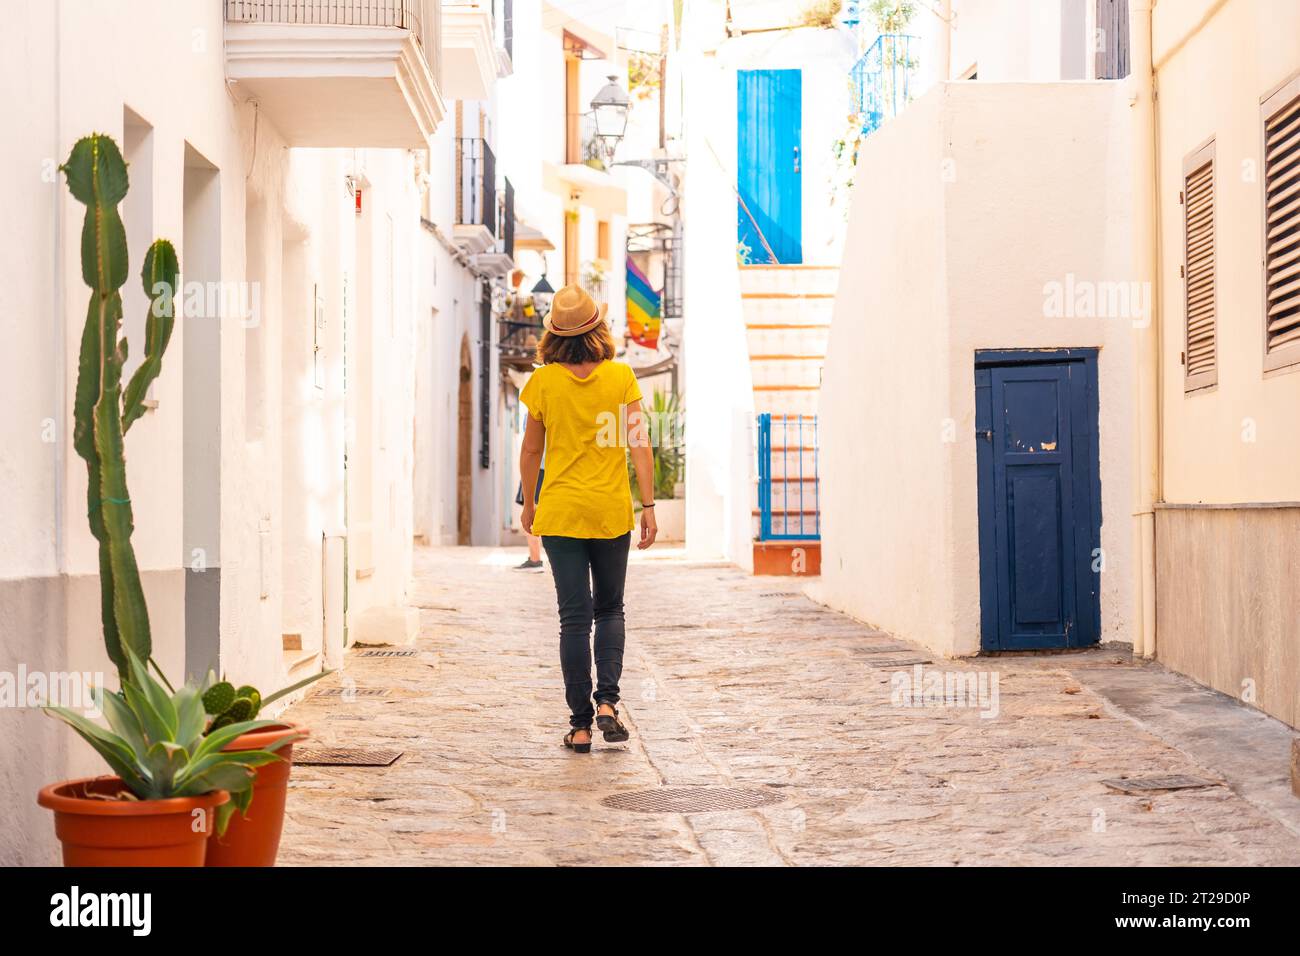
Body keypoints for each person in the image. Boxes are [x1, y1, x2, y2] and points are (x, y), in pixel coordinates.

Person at [518, 284, 657, 754]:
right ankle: (608, 705)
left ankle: (579, 727)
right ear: (598, 327)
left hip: (560, 513)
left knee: (574, 619)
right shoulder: (620, 378)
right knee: (611, 609)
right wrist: (650, 506)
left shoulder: (543, 382)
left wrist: (530, 504)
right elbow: (639, 442)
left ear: (553, 335)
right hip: (609, 511)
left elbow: (532, 450)